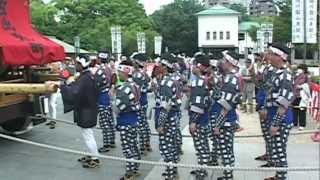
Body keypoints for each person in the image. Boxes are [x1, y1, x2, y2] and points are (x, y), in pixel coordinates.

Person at [55, 55, 100, 168]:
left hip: (86, 110)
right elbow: (78, 89)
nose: (75, 65)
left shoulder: (85, 78)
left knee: (87, 134)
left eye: (77, 64)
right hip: (90, 108)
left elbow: (74, 93)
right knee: (88, 134)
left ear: (82, 65)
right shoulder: (88, 76)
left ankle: (95, 158)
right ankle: (92, 154)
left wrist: (63, 86)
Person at [264, 43, 294, 180]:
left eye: (270, 54)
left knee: (279, 149)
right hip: (274, 116)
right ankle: (278, 175)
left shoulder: (285, 75)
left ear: (279, 57)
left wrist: (275, 123)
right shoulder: (277, 73)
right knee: (276, 149)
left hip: (281, 118)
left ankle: (281, 177)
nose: (268, 56)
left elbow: (284, 103)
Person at [211, 50, 241, 180]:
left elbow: (226, 106)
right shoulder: (228, 77)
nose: (220, 62)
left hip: (226, 121)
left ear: (229, 62)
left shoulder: (231, 79)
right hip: (226, 120)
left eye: (223, 60)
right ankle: (228, 174)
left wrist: (217, 125)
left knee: (226, 149)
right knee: (226, 149)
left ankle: (228, 176)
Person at [114, 60, 141, 180]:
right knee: (133, 145)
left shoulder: (123, 88)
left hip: (126, 121)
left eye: (120, 71)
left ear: (125, 72)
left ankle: (130, 173)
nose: (118, 74)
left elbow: (118, 107)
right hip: (134, 119)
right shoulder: (135, 85)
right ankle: (135, 168)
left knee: (127, 147)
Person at [156, 53, 180, 180]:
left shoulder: (166, 82)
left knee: (166, 147)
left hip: (168, 118)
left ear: (165, 67)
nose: (158, 66)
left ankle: (170, 173)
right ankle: (173, 170)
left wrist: (160, 124)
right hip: (174, 117)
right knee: (172, 145)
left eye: (160, 64)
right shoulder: (174, 79)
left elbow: (165, 105)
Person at [188, 53, 211, 180]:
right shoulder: (205, 80)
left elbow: (198, 104)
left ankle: (202, 171)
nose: (192, 67)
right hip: (204, 118)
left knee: (200, 145)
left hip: (199, 120)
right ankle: (202, 168)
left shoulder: (198, 81)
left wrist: (193, 122)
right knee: (203, 144)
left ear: (199, 66)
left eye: (194, 64)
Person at [94, 51, 116, 153]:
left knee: (104, 122)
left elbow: (96, 85)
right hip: (108, 95)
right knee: (110, 120)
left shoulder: (100, 70)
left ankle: (106, 143)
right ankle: (112, 140)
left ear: (99, 58)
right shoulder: (109, 69)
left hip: (102, 97)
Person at [131, 52, 152, 155]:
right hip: (144, 100)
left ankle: (143, 145)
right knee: (144, 122)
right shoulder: (143, 73)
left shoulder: (137, 74)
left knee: (141, 124)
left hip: (139, 100)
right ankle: (146, 143)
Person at [293, 64, 311, 130]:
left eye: (300, 68)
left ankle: (302, 124)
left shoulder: (307, 76)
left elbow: (309, 85)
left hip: (302, 96)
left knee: (302, 110)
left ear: (303, 70)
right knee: (294, 109)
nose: (299, 70)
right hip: (295, 95)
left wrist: (302, 86)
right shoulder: (296, 75)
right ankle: (294, 122)